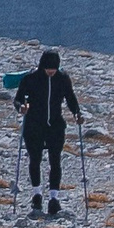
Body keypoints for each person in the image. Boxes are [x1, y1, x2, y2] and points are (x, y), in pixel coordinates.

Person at [14, 48, 82, 219]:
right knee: (35, 159)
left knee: (55, 161)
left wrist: (77, 113)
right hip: (33, 125)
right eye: (48, 68)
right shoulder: (30, 79)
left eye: (54, 68)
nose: (51, 71)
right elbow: (18, 98)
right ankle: (37, 195)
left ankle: (54, 199)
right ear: (42, 66)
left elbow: (70, 98)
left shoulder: (63, 79)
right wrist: (20, 107)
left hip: (56, 126)